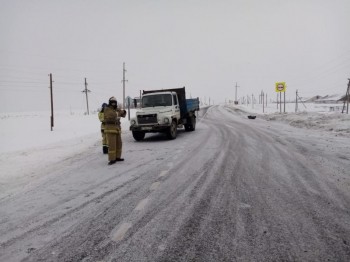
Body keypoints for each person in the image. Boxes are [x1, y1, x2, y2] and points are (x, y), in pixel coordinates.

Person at [104, 97, 127, 165]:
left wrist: (123, 112)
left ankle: (117, 157)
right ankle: (112, 159)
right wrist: (119, 113)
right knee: (112, 145)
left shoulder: (116, 109)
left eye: (115, 102)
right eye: (112, 102)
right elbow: (113, 115)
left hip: (117, 128)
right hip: (110, 129)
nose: (114, 104)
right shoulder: (107, 109)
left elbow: (123, 114)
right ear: (110, 102)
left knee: (119, 144)